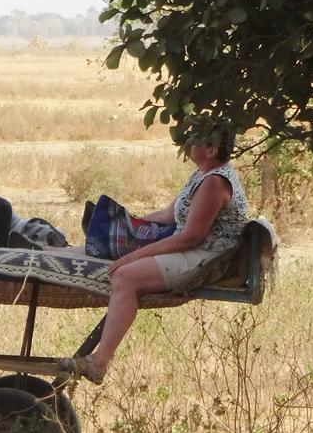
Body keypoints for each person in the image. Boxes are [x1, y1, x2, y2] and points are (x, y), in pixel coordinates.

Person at [59, 118, 249, 384]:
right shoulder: (201, 175)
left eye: (195, 140)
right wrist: (129, 225)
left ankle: (99, 362)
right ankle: (52, 253)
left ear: (211, 150)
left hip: (207, 258)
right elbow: (169, 215)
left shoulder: (215, 183)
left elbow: (191, 238)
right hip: (190, 246)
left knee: (125, 276)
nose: (187, 144)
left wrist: (135, 255)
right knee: (98, 250)